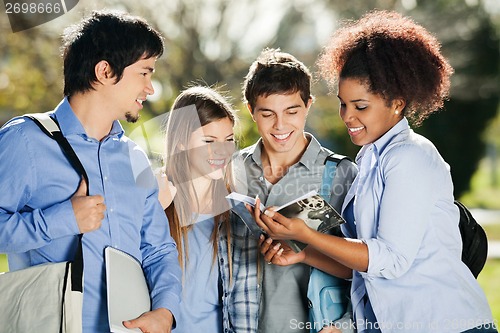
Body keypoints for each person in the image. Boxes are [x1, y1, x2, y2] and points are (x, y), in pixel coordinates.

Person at [255, 10, 497, 333]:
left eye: (361, 106)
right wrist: (303, 254)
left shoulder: (411, 156)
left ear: (397, 102)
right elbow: (363, 267)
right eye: (344, 104)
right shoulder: (368, 161)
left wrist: (305, 234)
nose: (348, 117)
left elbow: (391, 259)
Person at [0, 11, 182, 333]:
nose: (150, 88)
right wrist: (62, 220)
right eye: (144, 73)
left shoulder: (135, 158)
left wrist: (166, 310)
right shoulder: (25, 140)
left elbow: (158, 248)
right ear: (104, 71)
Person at [229, 48, 358, 333]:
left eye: (292, 111)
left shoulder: (341, 174)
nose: (280, 125)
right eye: (267, 113)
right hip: (242, 326)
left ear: (308, 105)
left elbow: (365, 267)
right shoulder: (231, 170)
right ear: (251, 110)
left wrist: (344, 327)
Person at [156, 86, 237, 332]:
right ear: (181, 142)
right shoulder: (156, 199)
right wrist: (154, 210)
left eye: (229, 140)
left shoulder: (235, 213)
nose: (221, 151)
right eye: (209, 141)